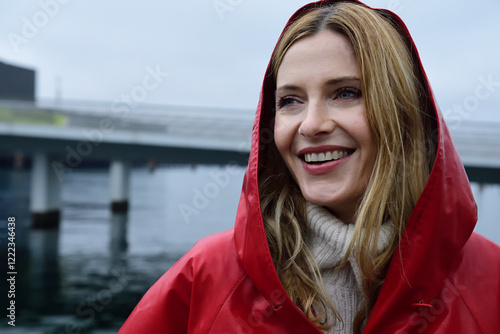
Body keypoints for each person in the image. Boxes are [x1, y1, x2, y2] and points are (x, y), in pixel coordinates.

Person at [118, 1, 500, 333]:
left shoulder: (490, 283)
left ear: (403, 113)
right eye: (290, 101)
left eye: (345, 93)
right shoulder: (203, 277)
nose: (312, 124)